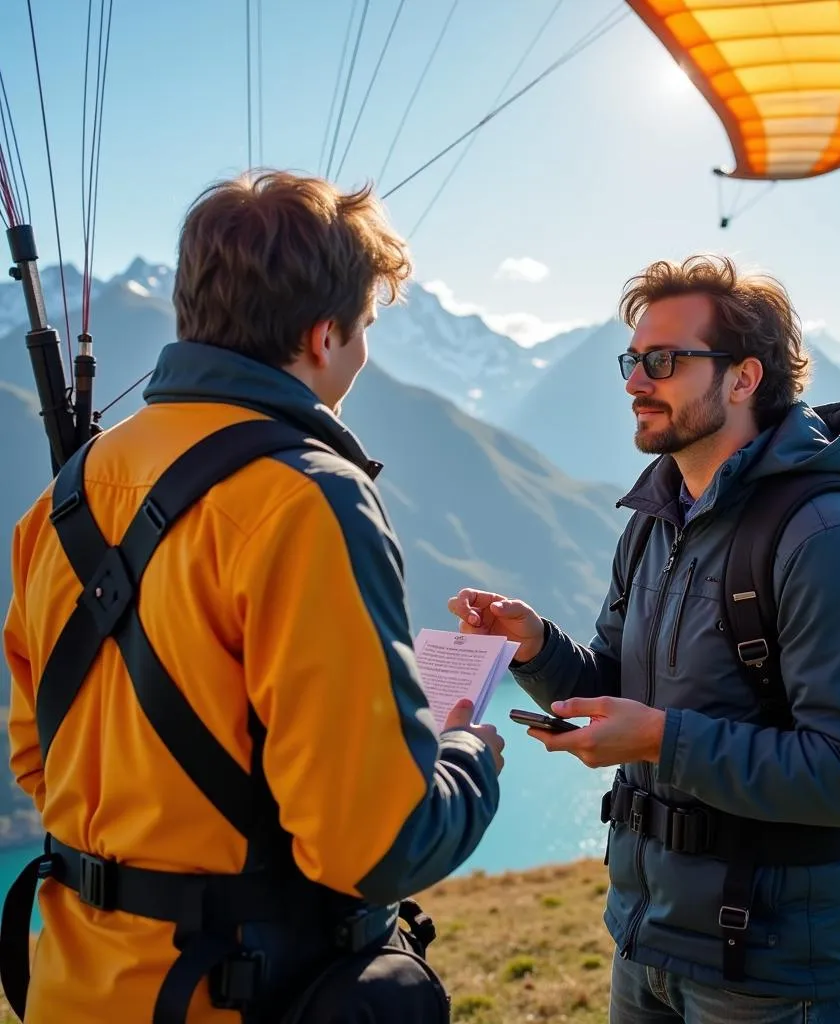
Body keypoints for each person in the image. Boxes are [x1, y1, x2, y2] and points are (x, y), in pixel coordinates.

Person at [2, 171, 504, 1023]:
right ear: (322, 336)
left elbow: (35, 756)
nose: (365, 351)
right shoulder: (307, 499)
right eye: (366, 328)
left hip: (73, 978)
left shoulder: (68, 494)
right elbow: (373, 845)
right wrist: (468, 763)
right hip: (227, 993)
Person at [448, 254, 840, 1024]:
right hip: (650, 939)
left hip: (773, 969)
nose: (636, 381)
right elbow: (623, 682)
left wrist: (661, 742)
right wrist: (535, 646)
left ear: (744, 378)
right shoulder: (655, 520)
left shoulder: (830, 538)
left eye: (662, 362)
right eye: (632, 361)